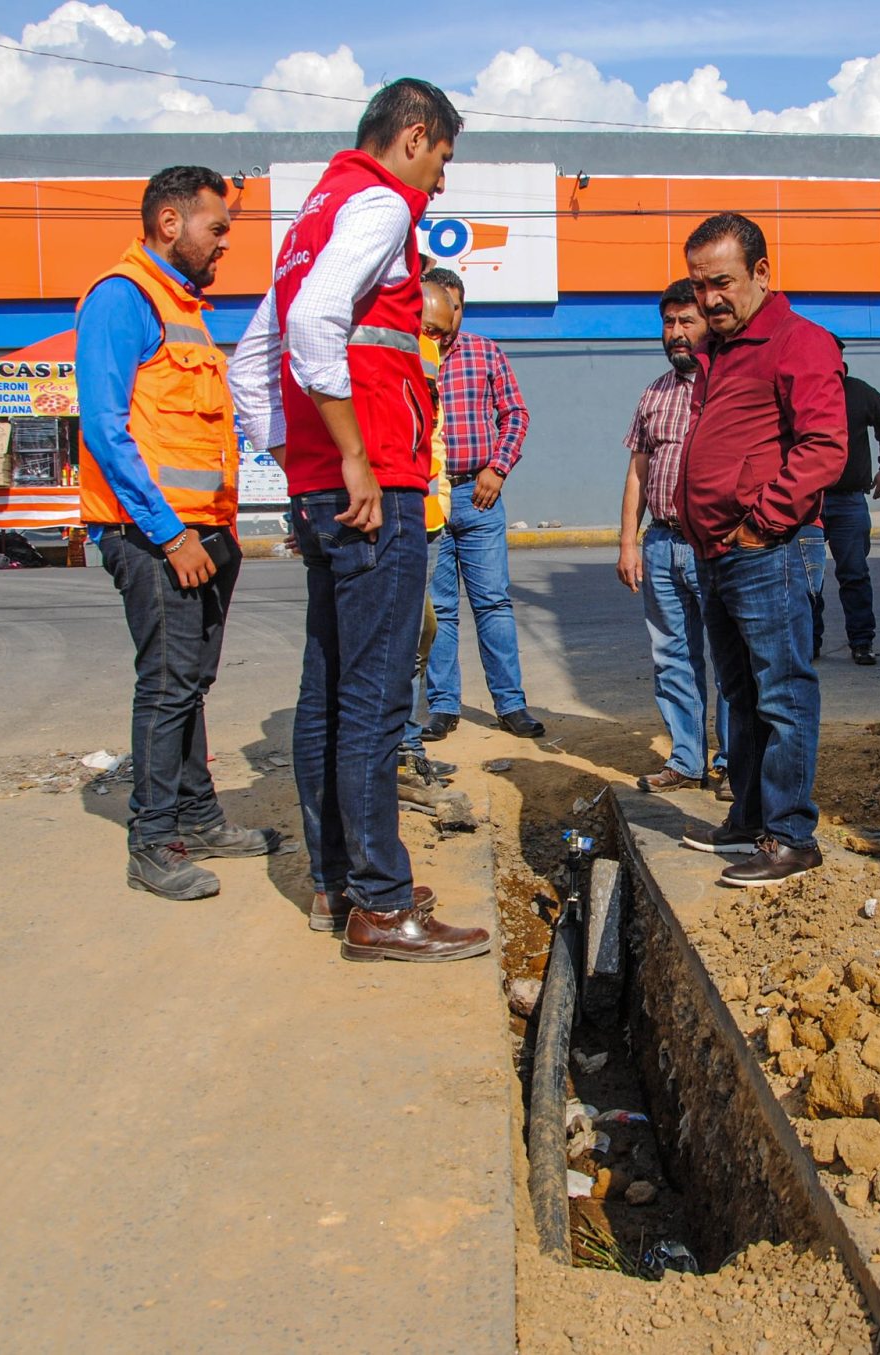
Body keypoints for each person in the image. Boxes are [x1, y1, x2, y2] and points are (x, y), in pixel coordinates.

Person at [229, 78, 489, 963]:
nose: (441, 185)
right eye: (443, 159)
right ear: (415, 136)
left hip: (330, 492)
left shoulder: (312, 218)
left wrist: (298, 462)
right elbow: (308, 327)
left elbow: (249, 368)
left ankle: (337, 881)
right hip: (376, 486)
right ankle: (380, 906)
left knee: (330, 692)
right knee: (376, 698)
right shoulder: (377, 205)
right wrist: (347, 455)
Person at [77, 165, 291, 901]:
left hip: (205, 535)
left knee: (191, 685)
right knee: (167, 685)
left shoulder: (185, 308)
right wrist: (171, 536)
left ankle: (198, 816)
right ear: (171, 222)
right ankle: (153, 841)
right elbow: (107, 430)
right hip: (156, 538)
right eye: (217, 228)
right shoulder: (122, 298)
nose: (224, 243)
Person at [675, 212, 847, 887]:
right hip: (719, 551)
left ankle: (790, 836)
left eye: (721, 282)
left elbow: (825, 446)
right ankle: (748, 820)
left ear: (761, 274)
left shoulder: (797, 342)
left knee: (782, 693)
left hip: (764, 549)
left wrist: (763, 521)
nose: (709, 298)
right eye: (698, 285)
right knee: (741, 696)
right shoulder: (720, 350)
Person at [617, 279, 730, 797]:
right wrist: (628, 542)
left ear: (708, 323)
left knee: (731, 656)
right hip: (661, 544)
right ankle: (686, 759)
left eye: (687, 321)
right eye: (669, 323)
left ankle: (730, 762)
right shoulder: (654, 393)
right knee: (671, 657)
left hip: (719, 543)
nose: (677, 333)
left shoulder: (730, 385)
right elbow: (638, 470)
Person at [420, 274, 544, 741]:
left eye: (452, 309)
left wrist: (498, 467)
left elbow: (515, 413)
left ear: (460, 307)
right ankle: (443, 707)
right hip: (431, 499)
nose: (443, 321)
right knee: (440, 609)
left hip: (478, 494)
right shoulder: (412, 353)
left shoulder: (484, 352)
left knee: (493, 603)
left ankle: (511, 705)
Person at [398, 279, 459, 786]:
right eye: (430, 328)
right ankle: (400, 748)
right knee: (401, 640)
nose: (435, 340)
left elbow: (430, 435)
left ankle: (407, 741)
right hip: (400, 520)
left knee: (424, 634)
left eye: (443, 332)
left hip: (429, 519)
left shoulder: (428, 352)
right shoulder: (390, 348)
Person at [813, 348, 880, 665]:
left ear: (840, 360)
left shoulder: (859, 392)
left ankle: (862, 642)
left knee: (854, 575)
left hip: (849, 501)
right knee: (807, 578)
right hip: (808, 501)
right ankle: (810, 642)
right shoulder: (802, 392)